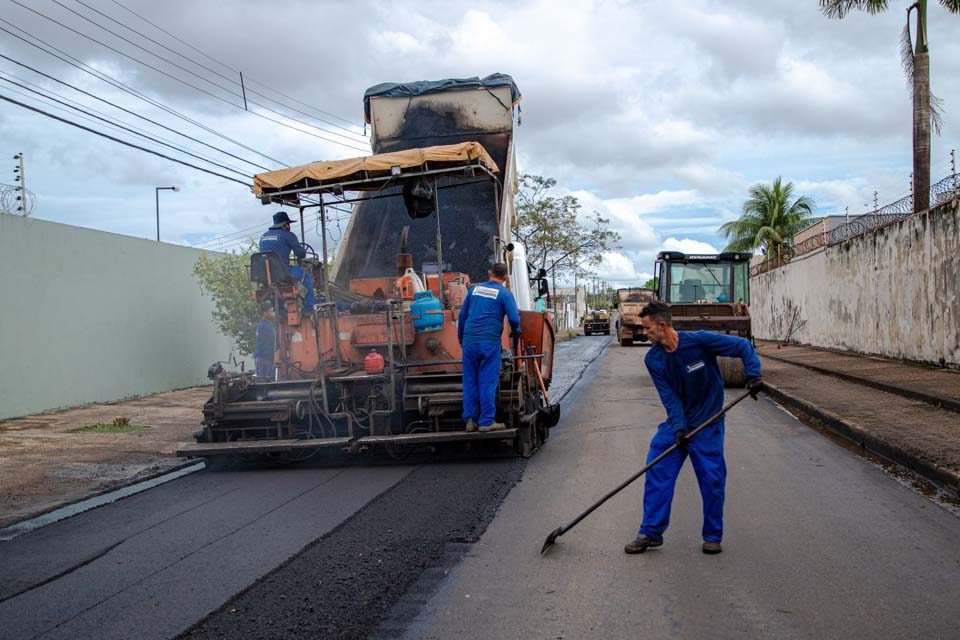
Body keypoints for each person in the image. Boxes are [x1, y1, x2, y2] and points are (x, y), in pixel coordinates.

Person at [625, 301, 762, 556]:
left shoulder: (699, 342)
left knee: (712, 479)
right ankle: (650, 532)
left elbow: (742, 346)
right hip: (677, 424)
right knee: (657, 469)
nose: (645, 333)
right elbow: (669, 397)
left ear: (662, 325)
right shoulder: (653, 359)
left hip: (708, 422)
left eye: (647, 328)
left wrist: (753, 375)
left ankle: (712, 535)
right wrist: (679, 427)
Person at [458, 262, 522, 433]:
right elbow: (514, 319)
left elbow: (462, 317)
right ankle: (486, 421)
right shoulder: (504, 293)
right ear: (506, 278)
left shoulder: (473, 291)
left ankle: (470, 420)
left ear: (489, 273)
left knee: (470, 381)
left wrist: (461, 340)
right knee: (487, 381)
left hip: (469, 342)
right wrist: (517, 331)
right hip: (489, 343)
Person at [259, 211, 315, 310]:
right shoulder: (288, 235)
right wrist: (298, 261)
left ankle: (280, 312)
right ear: (285, 225)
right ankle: (309, 308)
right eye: (288, 224)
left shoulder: (263, 236)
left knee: (286, 278)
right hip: (283, 273)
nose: (289, 226)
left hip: (264, 275)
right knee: (305, 275)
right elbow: (301, 254)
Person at [255, 301, 276, 379]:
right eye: (271, 311)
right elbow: (276, 340)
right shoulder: (266, 327)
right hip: (266, 359)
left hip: (262, 358)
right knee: (266, 383)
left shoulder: (262, 325)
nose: (273, 313)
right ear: (265, 313)